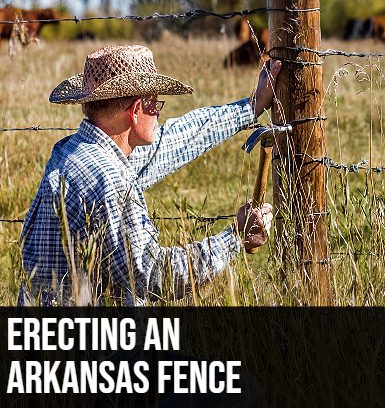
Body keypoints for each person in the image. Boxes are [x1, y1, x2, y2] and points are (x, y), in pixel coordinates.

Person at [19, 44, 281, 306]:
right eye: (155, 104)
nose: (158, 114)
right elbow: (154, 276)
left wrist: (251, 107)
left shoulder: (73, 151)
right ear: (135, 111)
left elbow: (175, 140)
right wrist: (235, 237)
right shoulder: (109, 178)